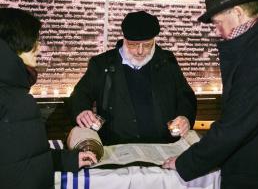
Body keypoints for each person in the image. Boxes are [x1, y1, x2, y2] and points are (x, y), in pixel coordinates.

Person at [162, 0, 258, 188]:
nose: (217, 30)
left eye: (218, 23)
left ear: (238, 13)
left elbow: (235, 125)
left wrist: (185, 162)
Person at [0, 8, 97, 189]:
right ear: (13, 43)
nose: (39, 47)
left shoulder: (16, 92)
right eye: (34, 40)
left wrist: (66, 160)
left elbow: (23, 156)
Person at [68, 11, 197, 145]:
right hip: (116, 145)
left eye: (147, 45)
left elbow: (185, 95)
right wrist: (82, 110)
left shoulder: (167, 61)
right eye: (133, 45)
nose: (140, 51)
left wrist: (185, 117)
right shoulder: (102, 63)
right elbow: (80, 93)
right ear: (124, 40)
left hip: (162, 145)